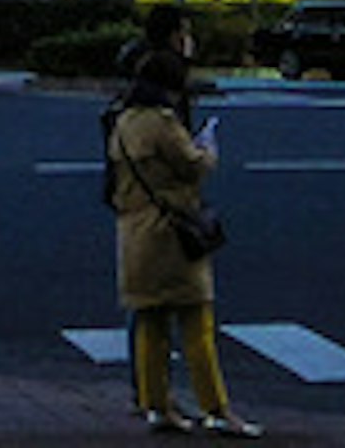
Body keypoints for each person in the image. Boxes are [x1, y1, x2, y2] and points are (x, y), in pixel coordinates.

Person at [108, 46, 255, 438]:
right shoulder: (162, 122)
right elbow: (192, 165)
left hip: (134, 232)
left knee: (150, 324)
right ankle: (217, 409)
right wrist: (207, 148)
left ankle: (157, 406)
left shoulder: (123, 122)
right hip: (171, 232)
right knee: (197, 323)